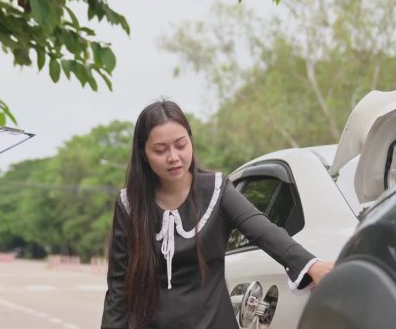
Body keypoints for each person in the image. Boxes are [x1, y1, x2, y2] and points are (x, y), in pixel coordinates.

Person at [101, 100, 333, 329]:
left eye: (180, 145)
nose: (173, 157)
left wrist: (310, 265)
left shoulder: (216, 190)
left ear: (190, 142)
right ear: (143, 153)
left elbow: (262, 230)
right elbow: (119, 288)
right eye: (160, 150)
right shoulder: (129, 204)